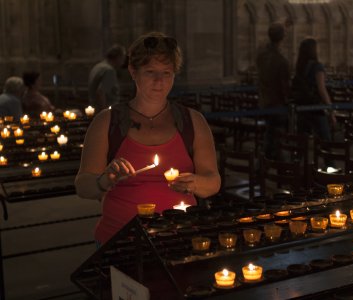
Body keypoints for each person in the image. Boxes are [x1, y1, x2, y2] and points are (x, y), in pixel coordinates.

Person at [75, 32, 221, 244]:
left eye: (167, 73)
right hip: (119, 240)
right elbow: (82, 185)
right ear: (133, 71)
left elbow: (213, 182)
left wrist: (195, 183)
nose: (159, 81)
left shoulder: (193, 122)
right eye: (150, 72)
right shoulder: (107, 122)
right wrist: (104, 180)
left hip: (179, 238)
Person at [256, 22, 290, 159]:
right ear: (282, 38)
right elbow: (284, 86)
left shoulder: (262, 57)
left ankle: (265, 164)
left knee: (270, 134)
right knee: (276, 137)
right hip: (277, 104)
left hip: (264, 100)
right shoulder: (281, 60)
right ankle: (274, 165)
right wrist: (287, 101)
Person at [291, 38, 336, 142]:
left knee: (302, 140)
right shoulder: (317, 66)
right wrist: (330, 110)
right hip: (315, 107)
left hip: (302, 105)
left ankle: (301, 157)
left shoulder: (299, 66)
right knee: (325, 139)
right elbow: (321, 89)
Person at [88, 44, 126, 111]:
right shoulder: (109, 71)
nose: (123, 62)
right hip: (107, 112)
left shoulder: (98, 67)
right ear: (118, 57)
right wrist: (104, 114)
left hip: (95, 109)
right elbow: (101, 92)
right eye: (122, 58)